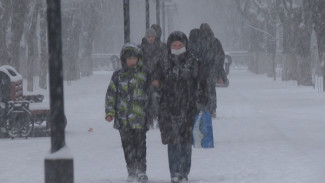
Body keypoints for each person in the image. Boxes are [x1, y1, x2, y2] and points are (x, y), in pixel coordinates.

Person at [157, 31, 207, 183]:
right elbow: (155, 82)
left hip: (188, 108)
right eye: (174, 45)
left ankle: (184, 172)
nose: (177, 47)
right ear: (169, 46)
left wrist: (202, 102)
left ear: (185, 45)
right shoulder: (163, 62)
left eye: (180, 45)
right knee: (172, 143)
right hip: (168, 109)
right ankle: (174, 172)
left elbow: (202, 83)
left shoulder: (194, 62)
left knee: (185, 142)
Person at [105, 43, 151, 183]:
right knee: (127, 145)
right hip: (123, 119)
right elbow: (111, 94)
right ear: (124, 60)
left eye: (134, 58)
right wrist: (110, 112)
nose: (132, 61)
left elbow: (151, 94)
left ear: (139, 58)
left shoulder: (144, 75)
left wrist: (150, 112)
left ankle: (141, 170)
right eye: (129, 59)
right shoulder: (118, 76)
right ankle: (131, 169)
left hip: (140, 118)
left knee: (140, 145)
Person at [140, 27, 167, 128]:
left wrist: (156, 77)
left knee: (157, 99)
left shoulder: (160, 47)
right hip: (146, 78)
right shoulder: (142, 48)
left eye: (152, 37)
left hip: (157, 79)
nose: (150, 39)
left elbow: (162, 65)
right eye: (149, 37)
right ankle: (149, 120)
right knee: (147, 101)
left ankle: (158, 119)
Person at [199, 23, 227, 118]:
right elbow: (220, 57)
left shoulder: (200, 42)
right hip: (212, 71)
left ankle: (204, 109)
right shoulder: (215, 42)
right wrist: (218, 71)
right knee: (211, 90)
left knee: (203, 90)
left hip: (203, 71)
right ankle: (211, 110)